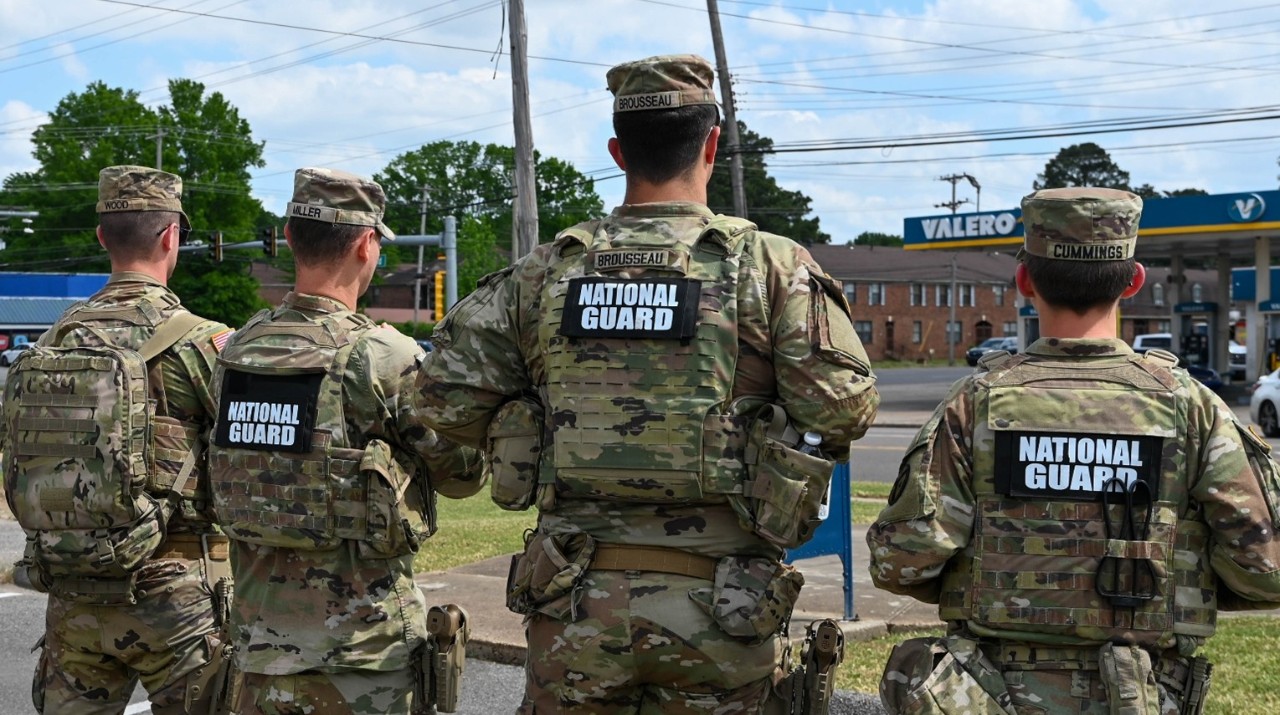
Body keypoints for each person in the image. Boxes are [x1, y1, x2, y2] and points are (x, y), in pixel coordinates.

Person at [416, 54, 880, 713]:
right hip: (723, 608)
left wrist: (532, 414)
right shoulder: (770, 267)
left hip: (572, 603)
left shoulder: (545, 272)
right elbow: (844, 408)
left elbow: (441, 399)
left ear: (617, 150)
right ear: (712, 143)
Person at [868, 187, 1280, 715]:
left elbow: (901, 562)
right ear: (1134, 282)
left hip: (992, 694)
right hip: (1143, 691)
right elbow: (1265, 571)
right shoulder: (1193, 407)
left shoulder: (974, 404)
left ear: (1023, 281)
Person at [205, 167, 485, 715]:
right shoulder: (387, 358)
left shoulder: (234, 353)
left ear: (288, 237)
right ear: (366, 245)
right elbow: (464, 476)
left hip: (260, 654)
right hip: (364, 660)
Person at [1, 165, 234, 714]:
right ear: (171, 236)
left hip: (73, 591)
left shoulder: (55, 340)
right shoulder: (202, 342)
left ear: (102, 236)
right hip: (177, 593)